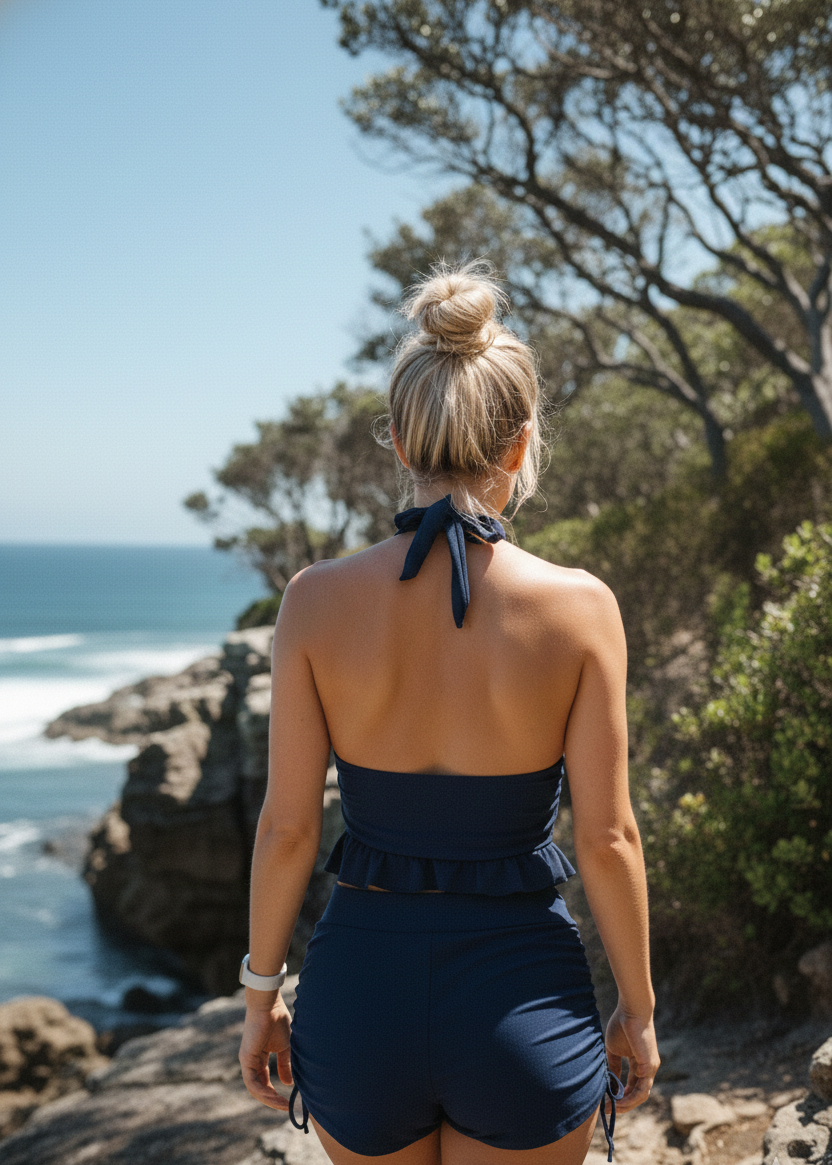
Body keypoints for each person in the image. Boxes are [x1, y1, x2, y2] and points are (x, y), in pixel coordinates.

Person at [238, 262, 660, 1165]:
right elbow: (609, 838)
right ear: (519, 444)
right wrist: (639, 1010)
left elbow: (284, 829)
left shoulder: (313, 602)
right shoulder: (581, 608)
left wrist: (260, 996)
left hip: (359, 996)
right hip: (522, 1001)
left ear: (398, 441)